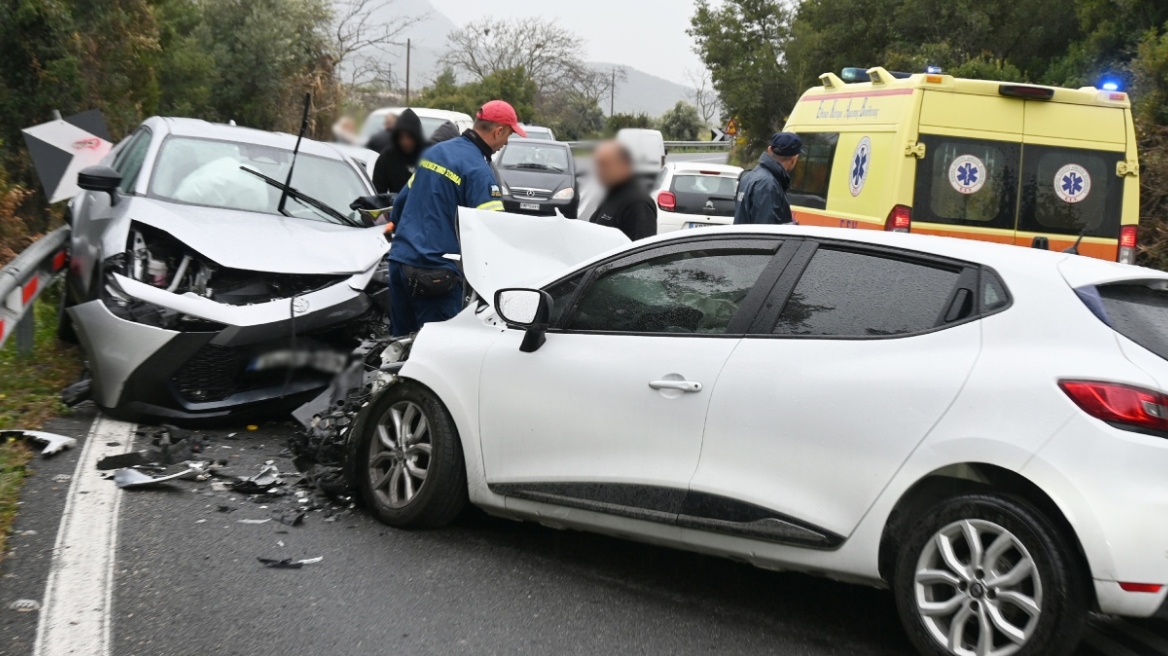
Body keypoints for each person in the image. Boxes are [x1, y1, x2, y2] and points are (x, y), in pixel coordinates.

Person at [386, 100, 525, 337]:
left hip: (399, 263)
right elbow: (491, 231)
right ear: (498, 131)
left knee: (398, 344)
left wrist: (395, 225)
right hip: (434, 275)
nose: (507, 142)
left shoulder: (435, 152)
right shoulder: (479, 172)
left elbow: (402, 200)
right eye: (509, 134)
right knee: (438, 349)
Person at [587, 141, 656, 241]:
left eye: (604, 165)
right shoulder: (612, 194)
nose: (598, 170)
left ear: (623, 165)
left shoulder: (639, 203)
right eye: (597, 165)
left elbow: (646, 252)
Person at [734, 132, 803, 225]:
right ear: (795, 158)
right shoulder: (768, 185)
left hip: (741, 239)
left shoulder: (748, 176)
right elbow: (766, 233)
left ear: (769, 150)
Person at [372, 109, 424, 194]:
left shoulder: (429, 155)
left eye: (410, 137)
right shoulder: (387, 157)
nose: (406, 141)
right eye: (402, 137)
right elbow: (378, 194)